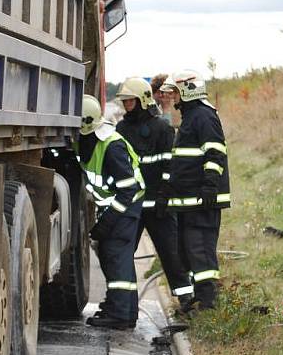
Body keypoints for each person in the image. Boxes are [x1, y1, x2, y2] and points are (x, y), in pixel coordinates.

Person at [115, 78, 193, 307]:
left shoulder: (162, 128)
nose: (126, 105)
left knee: (171, 255)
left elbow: (170, 165)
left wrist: (164, 195)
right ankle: (123, 304)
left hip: (159, 205)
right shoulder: (121, 129)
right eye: (125, 101)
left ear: (142, 100)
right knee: (123, 254)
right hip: (133, 204)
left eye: (130, 100)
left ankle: (186, 299)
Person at [159, 70, 231, 312]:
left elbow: (215, 152)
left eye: (176, 92)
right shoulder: (191, 116)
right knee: (188, 251)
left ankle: (207, 301)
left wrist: (210, 184)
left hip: (202, 199)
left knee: (200, 250)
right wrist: (168, 188)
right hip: (189, 200)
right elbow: (182, 159)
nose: (173, 97)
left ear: (189, 91)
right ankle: (198, 297)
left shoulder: (204, 116)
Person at [77, 95, 145, 329]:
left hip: (125, 205)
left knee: (116, 255)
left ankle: (120, 314)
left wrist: (106, 224)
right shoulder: (88, 140)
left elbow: (128, 190)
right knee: (113, 256)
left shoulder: (111, 145)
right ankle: (123, 309)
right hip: (114, 206)